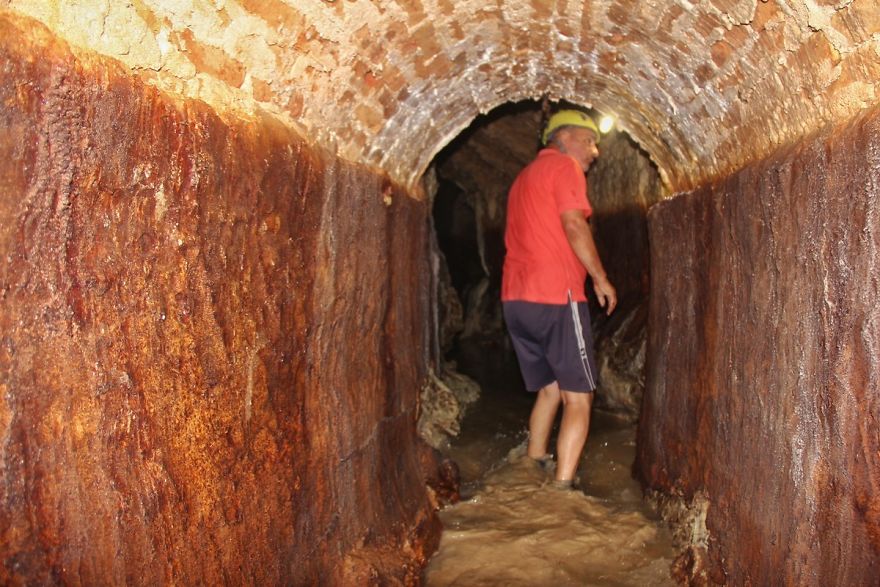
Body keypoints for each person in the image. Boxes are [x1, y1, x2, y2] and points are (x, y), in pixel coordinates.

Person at [501, 109, 617, 489]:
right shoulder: (564, 168)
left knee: (549, 390)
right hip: (556, 296)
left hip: (516, 301)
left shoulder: (522, 178)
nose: (594, 151)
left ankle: (532, 463)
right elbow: (573, 223)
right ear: (563, 139)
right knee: (579, 398)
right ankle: (562, 491)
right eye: (588, 140)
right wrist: (599, 278)